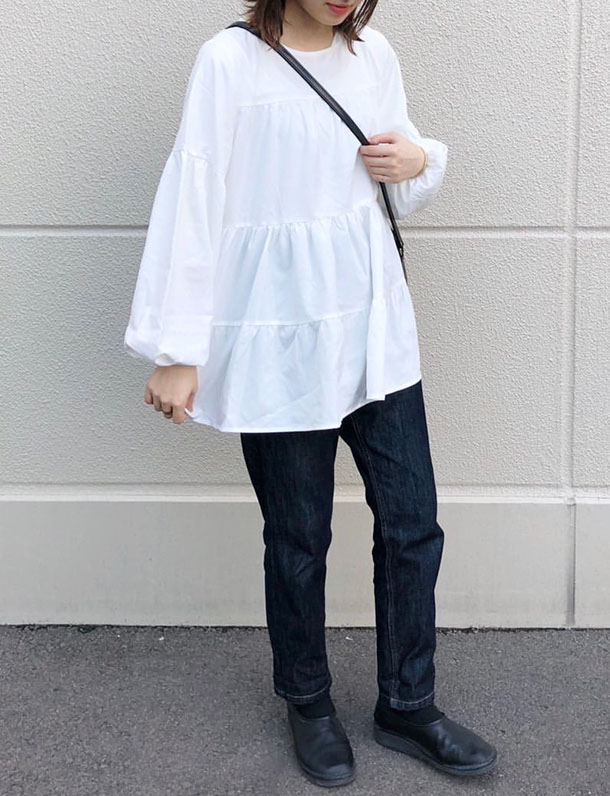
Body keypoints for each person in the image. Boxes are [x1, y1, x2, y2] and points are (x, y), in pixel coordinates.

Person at [123, 0, 498, 787]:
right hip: (279, 339)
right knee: (298, 536)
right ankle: (308, 702)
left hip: (370, 328)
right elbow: (194, 195)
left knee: (412, 523)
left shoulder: (374, 55)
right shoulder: (228, 63)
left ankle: (408, 704)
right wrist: (178, 350)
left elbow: (397, 181)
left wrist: (418, 159)